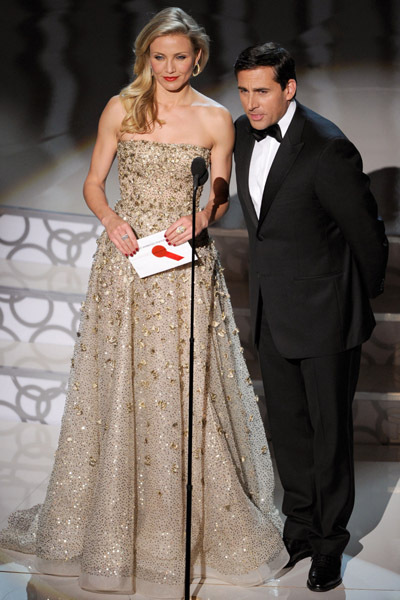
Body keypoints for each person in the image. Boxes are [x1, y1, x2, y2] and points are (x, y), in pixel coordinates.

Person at [0, 10, 288, 598]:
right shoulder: (120, 109)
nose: (169, 67)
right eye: (159, 57)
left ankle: (182, 525)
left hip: (185, 269)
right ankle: (112, 521)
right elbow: (92, 182)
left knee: (187, 389)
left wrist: (200, 217)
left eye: (180, 57)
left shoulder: (215, 119)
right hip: (127, 268)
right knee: (124, 385)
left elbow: (222, 193)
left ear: (198, 59)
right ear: (145, 58)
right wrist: (110, 221)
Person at [233, 42, 389, 593]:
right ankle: (298, 530)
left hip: (326, 316)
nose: (252, 103)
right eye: (245, 91)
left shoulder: (326, 147)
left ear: (289, 88)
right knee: (289, 431)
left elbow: (367, 234)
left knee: (328, 437)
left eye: (263, 91)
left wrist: (354, 300)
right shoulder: (237, 133)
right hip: (273, 313)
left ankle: (329, 545)